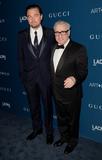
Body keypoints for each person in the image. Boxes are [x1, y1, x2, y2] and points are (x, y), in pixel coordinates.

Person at [17, 4, 55, 144]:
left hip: (46, 78)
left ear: (41, 16)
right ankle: (37, 129)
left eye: (35, 15)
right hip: (30, 79)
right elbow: (20, 58)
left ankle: (49, 132)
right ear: (26, 18)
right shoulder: (21, 35)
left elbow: (55, 56)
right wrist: (23, 77)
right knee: (33, 106)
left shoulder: (51, 33)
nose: (32, 19)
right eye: (29, 16)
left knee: (47, 107)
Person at [51, 20, 88, 154]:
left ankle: (72, 142)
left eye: (63, 32)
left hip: (72, 94)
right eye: (56, 33)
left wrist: (75, 78)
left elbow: (83, 71)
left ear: (69, 32)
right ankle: (64, 137)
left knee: (72, 120)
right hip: (56, 92)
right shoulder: (53, 47)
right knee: (61, 119)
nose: (59, 35)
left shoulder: (79, 48)